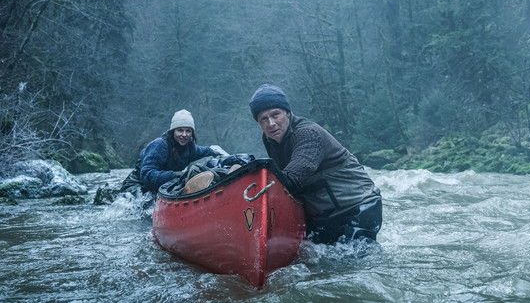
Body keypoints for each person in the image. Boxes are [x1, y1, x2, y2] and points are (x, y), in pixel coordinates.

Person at [249, 84, 382, 244]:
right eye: (263, 119)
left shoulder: (308, 133)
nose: (271, 123)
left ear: (287, 113)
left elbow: (291, 179)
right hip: (325, 214)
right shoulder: (270, 139)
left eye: (275, 115)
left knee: (355, 257)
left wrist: (253, 174)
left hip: (358, 206)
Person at [120, 109, 225, 194]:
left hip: (162, 186)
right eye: (180, 130)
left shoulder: (190, 147)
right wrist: (178, 175)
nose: (184, 135)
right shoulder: (159, 145)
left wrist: (217, 152)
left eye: (188, 131)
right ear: (173, 131)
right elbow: (147, 175)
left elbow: (204, 151)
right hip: (136, 186)